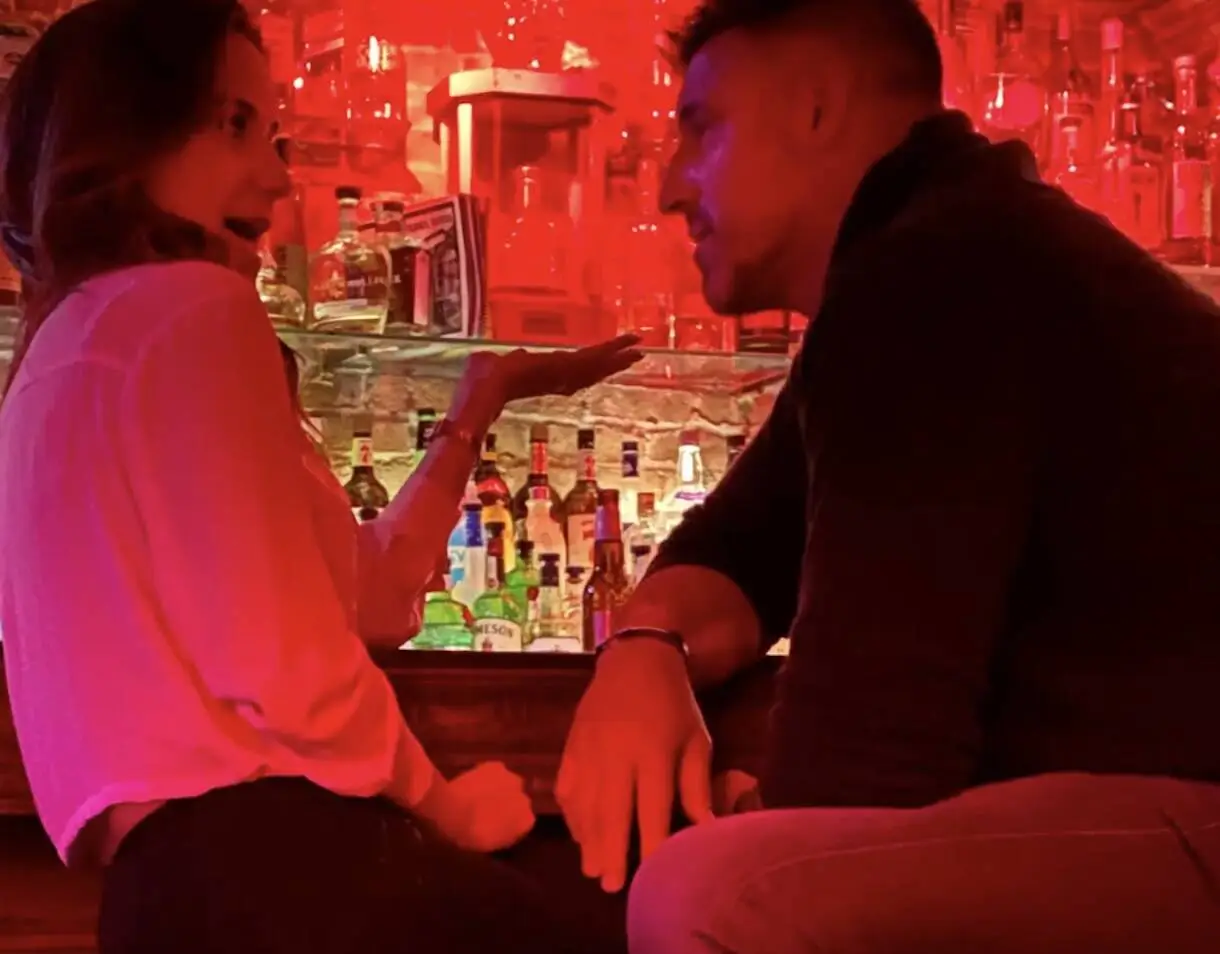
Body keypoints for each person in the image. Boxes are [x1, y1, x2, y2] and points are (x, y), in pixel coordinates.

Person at [557, 0, 1220, 951]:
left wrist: (756, 815)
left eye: (701, 129)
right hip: (1148, 812)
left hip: (1192, 814)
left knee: (709, 895)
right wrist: (645, 647)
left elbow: (868, 765)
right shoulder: (942, 252)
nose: (668, 185)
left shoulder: (944, 274)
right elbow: (737, 549)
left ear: (815, 108)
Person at [0, 2, 640, 952]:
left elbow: (364, 598)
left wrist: (474, 410)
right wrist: (445, 805)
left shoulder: (53, 357)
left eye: (275, 137)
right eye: (233, 125)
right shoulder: (192, 310)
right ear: (123, 135)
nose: (275, 178)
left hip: (159, 898)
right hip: (284, 868)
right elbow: (289, 666)